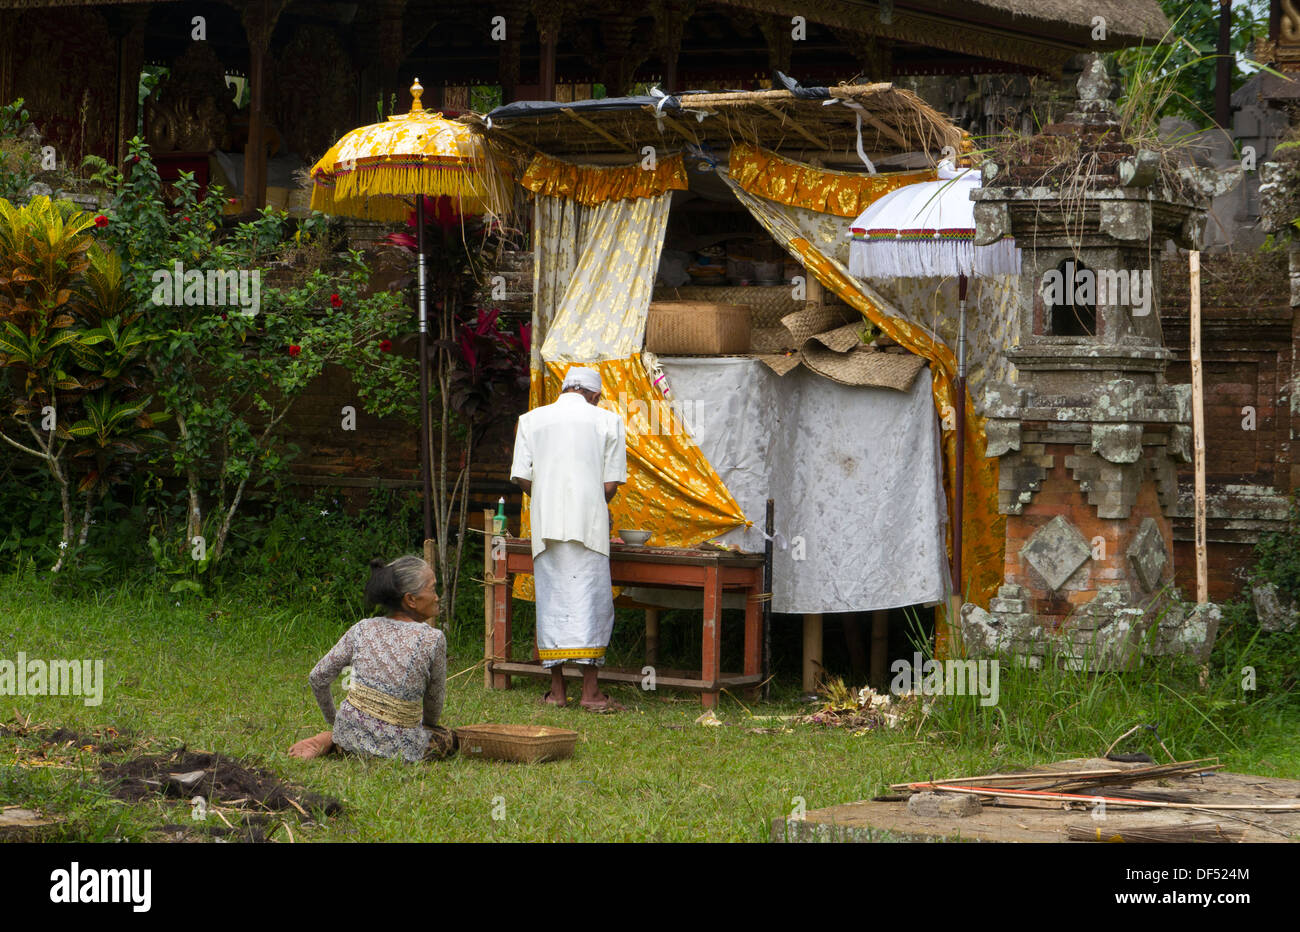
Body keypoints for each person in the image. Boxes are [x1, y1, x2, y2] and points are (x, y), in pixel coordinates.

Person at [510, 365, 627, 712]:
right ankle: (591, 694)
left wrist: (547, 495)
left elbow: (521, 476)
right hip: (589, 526)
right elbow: (609, 486)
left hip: (546, 526)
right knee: (591, 603)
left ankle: (557, 692)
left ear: (565, 390)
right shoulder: (608, 421)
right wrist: (586, 500)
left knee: (554, 602)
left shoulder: (530, 420)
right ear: (594, 396)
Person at [287, 555, 454, 761]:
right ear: (410, 599)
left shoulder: (362, 628)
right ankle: (331, 738)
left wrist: (337, 724)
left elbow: (317, 677)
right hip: (400, 752)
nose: (437, 597)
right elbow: (434, 703)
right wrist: (428, 724)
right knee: (447, 737)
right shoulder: (433, 638)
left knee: (351, 732)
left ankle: (331, 738)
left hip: (349, 744)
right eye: (432, 589)